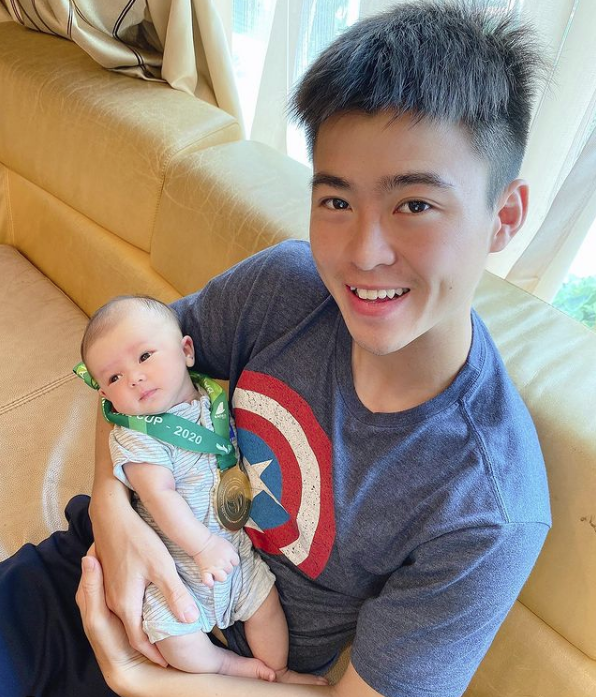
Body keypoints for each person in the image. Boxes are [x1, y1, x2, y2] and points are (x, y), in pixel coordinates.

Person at [0, 2, 551, 697]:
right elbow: (128, 371)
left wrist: (143, 679)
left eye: (414, 205)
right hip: (82, 576)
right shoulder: (283, 287)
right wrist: (112, 511)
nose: (364, 253)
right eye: (336, 202)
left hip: (239, 672)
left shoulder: (486, 502)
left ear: (504, 216)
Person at [76, 295, 326, 685]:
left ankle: (277, 673)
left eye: (144, 357)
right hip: (178, 569)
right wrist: (202, 547)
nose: (134, 378)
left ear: (187, 351)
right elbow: (159, 496)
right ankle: (227, 667)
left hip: (235, 558)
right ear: (106, 398)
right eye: (114, 378)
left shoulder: (212, 399)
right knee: (176, 641)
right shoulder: (137, 437)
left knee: (266, 606)